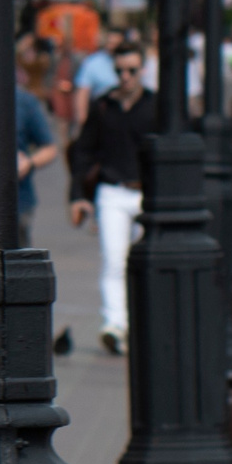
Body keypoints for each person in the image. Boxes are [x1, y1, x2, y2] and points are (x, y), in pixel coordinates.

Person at [66, 39, 156, 354]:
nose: (126, 77)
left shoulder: (155, 106)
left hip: (148, 195)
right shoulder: (103, 106)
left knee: (145, 262)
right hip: (112, 192)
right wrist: (78, 195)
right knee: (114, 260)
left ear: (142, 69)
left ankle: (141, 323)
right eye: (120, 71)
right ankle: (115, 325)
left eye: (132, 70)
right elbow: (83, 152)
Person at [11, 67, 59, 250]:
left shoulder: (24, 102)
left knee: (18, 262)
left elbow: (49, 148)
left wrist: (29, 163)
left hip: (18, 198)